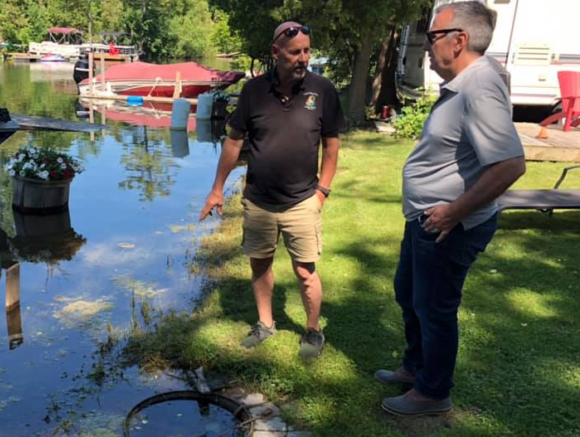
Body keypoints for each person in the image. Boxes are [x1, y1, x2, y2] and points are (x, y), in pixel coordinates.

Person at [376, 1, 526, 416]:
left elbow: (511, 164)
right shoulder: (466, 83)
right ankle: (415, 367)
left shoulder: (479, 86)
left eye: (433, 36)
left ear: (459, 40)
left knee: (435, 307)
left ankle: (433, 392)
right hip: (428, 219)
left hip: (448, 226)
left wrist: (455, 211)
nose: (426, 46)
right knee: (409, 294)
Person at [199, 21, 345, 359]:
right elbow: (234, 142)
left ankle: (312, 330)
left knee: (305, 271)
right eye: (295, 52)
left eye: (307, 51)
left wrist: (322, 191)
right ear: (276, 52)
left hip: (302, 201)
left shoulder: (322, 90)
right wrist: (217, 189)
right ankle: (266, 323)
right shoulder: (253, 92)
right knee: (260, 265)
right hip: (259, 201)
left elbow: (332, 146)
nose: (303, 58)